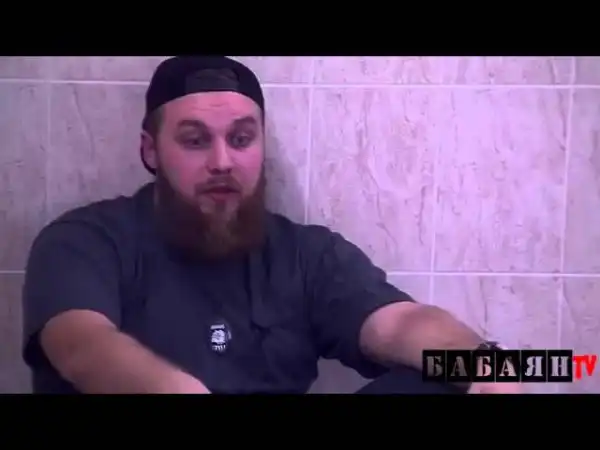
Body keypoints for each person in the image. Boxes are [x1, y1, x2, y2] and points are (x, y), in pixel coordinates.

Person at [21, 56, 520, 394]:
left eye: (241, 139)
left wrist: (483, 364)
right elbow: (82, 345)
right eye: (195, 140)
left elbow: (398, 323)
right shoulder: (85, 241)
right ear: (150, 151)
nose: (222, 161)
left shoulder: (305, 254)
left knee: (442, 381)